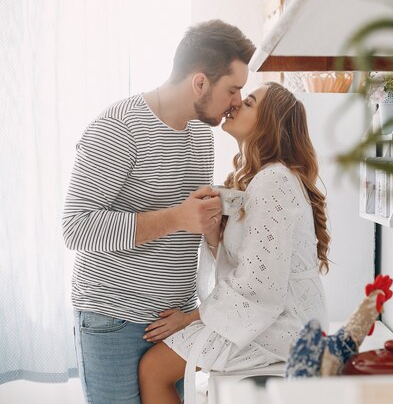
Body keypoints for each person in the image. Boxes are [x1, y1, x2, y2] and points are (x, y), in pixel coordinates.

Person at [62, 20, 256, 404]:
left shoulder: (201, 133)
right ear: (200, 82)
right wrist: (177, 217)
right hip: (113, 320)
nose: (237, 101)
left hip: (173, 320)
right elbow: (75, 227)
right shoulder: (118, 128)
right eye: (232, 90)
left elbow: (192, 219)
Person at [137, 82, 330, 404]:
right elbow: (247, 261)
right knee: (158, 368)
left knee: (154, 368)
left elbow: (260, 284)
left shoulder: (273, 181)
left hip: (281, 324)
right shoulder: (260, 179)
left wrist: (192, 317)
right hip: (275, 316)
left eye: (249, 103)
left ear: (270, 123)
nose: (236, 104)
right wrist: (214, 232)